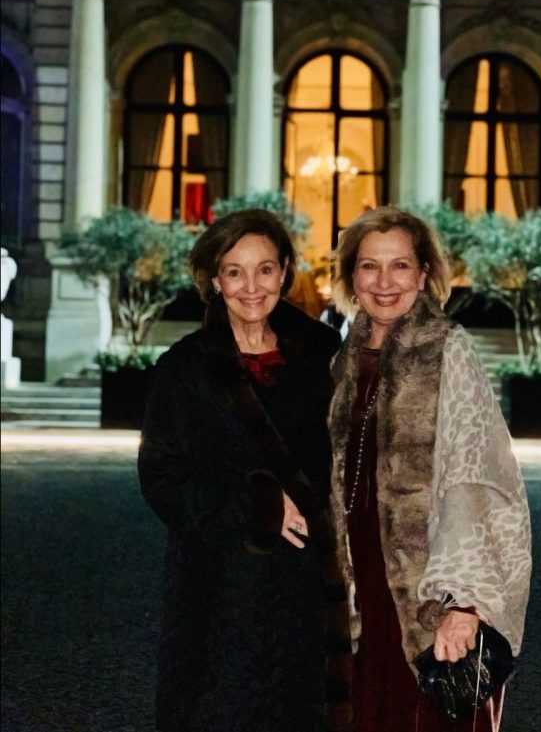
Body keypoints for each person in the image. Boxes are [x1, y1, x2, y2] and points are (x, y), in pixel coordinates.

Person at [328, 206, 532, 732]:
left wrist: (465, 602)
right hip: (361, 584)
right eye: (369, 266)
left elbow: (481, 478)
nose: (384, 281)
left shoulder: (448, 349)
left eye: (400, 266)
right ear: (352, 277)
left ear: (423, 275)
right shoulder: (343, 360)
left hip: (429, 590)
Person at [138, 209, 341, 732]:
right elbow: (160, 478)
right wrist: (257, 506)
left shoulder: (324, 358)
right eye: (234, 271)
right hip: (218, 585)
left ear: (285, 272)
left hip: (307, 587)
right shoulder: (183, 368)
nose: (251, 286)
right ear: (213, 280)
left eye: (265, 269)